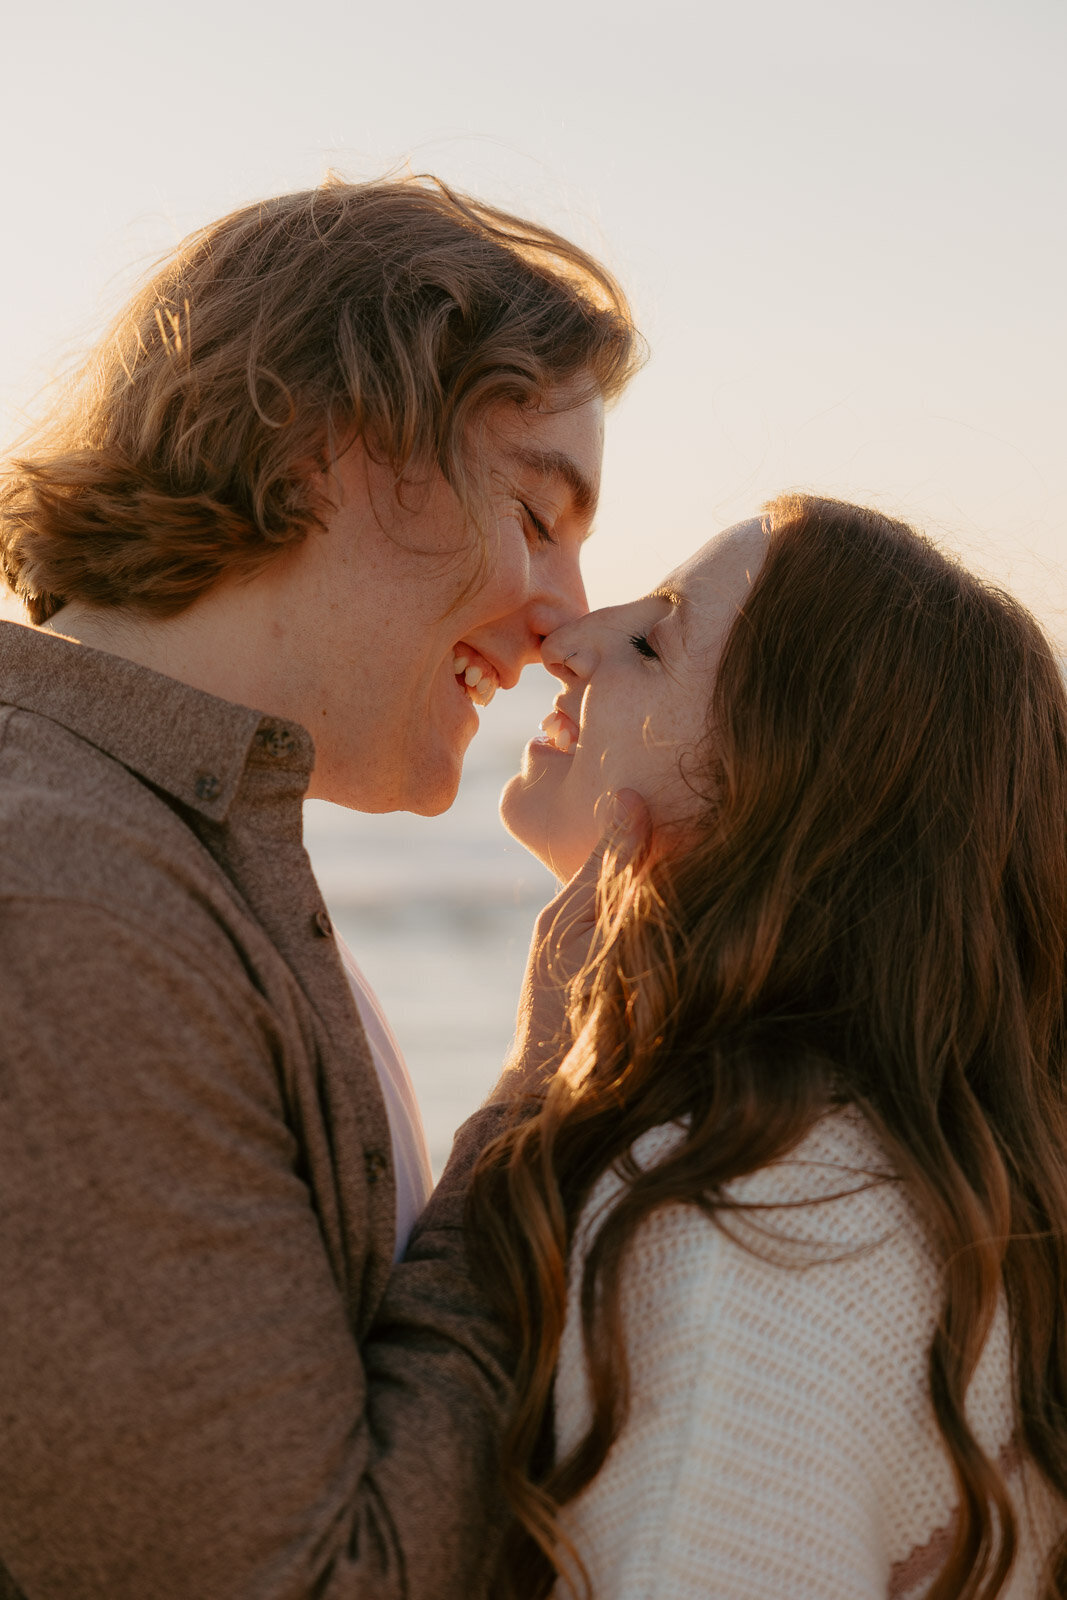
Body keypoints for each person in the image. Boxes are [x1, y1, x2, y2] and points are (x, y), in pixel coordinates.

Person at [0, 173, 641, 1598]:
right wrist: (563, 1066)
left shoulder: (176, 850)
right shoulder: (64, 906)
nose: (566, 619)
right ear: (328, 451)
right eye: (538, 513)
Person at [471, 494, 1067, 1599]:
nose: (570, 639)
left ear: (780, 803)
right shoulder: (930, 1187)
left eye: (652, 641)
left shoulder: (743, 1225)